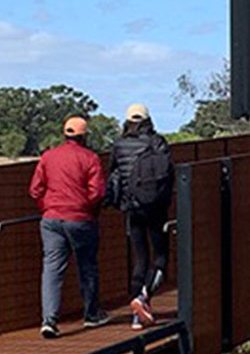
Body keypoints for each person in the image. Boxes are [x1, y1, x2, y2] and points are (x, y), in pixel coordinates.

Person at [29, 116, 109, 338]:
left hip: (51, 220)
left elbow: (35, 190)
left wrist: (47, 207)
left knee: (52, 269)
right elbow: (97, 193)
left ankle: (49, 320)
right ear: (84, 136)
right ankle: (91, 314)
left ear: (64, 134)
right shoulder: (90, 158)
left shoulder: (48, 156)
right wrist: (86, 209)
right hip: (80, 219)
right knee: (87, 267)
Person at [107, 104, 174, 330]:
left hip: (131, 208)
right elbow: (168, 174)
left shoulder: (119, 144)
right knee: (161, 258)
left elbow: (113, 172)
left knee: (140, 258)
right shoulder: (157, 142)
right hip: (155, 209)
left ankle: (137, 316)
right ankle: (143, 297)